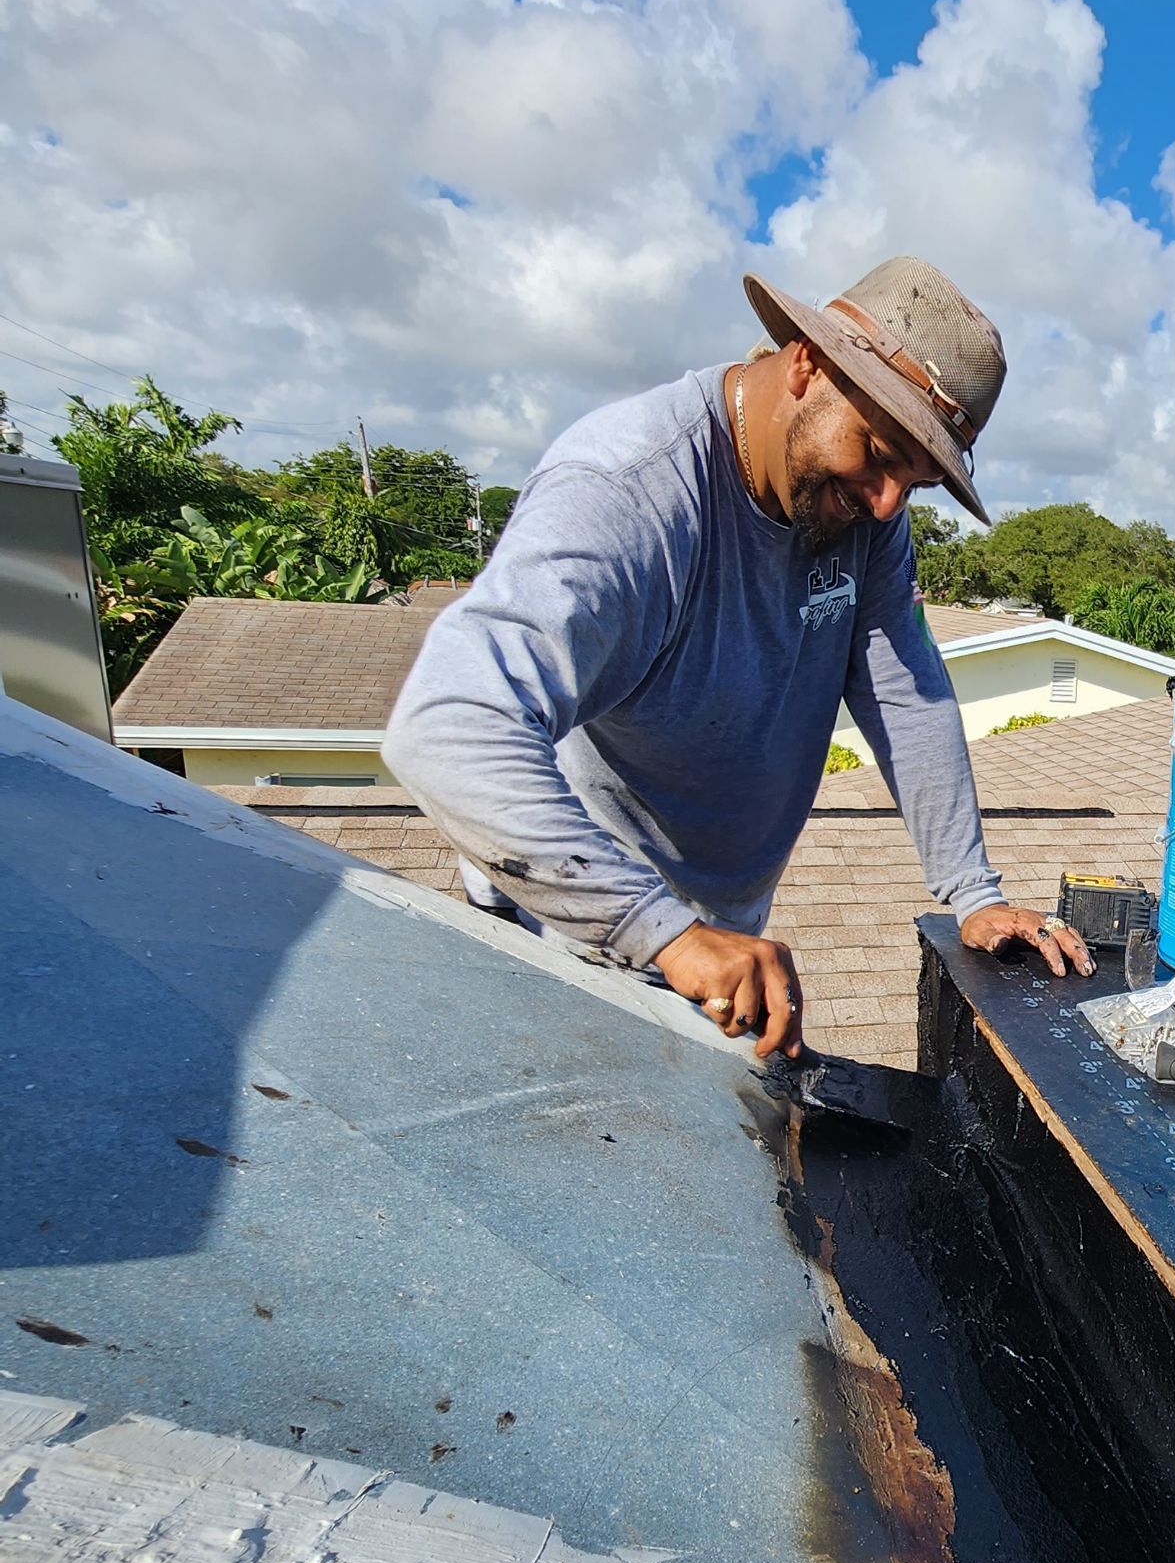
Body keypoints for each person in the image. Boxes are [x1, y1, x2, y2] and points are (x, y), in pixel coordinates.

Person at [384, 256, 1093, 1057]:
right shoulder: (629, 493)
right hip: (566, 936)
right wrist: (670, 937)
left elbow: (905, 687)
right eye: (880, 450)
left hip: (704, 937)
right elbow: (446, 724)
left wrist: (972, 891)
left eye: (917, 481)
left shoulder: (864, 517)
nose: (890, 501)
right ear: (805, 363)